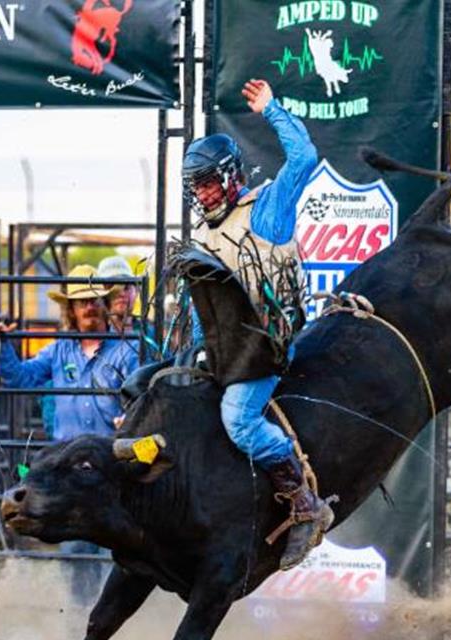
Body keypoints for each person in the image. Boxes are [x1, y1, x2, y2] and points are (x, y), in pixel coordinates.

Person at [181, 78, 329, 571]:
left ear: (229, 177)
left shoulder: (266, 207)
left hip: (269, 342)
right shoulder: (203, 232)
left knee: (238, 419)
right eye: (194, 186)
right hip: (227, 347)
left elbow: (304, 158)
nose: (201, 195)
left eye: (206, 182)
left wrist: (272, 109)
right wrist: (195, 355)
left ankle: (303, 499)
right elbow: (208, 304)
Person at [0, 263, 140, 605]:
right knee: (76, 549)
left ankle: (110, 616)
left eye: (93, 300)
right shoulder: (58, 350)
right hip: (70, 471)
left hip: (109, 466)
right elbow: (23, 377)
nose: (88, 307)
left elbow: (139, 398)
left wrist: (129, 417)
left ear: (103, 303)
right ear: (70, 309)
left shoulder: (126, 351)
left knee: (115, 549)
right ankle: (79, 617)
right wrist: (2, 344)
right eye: (80, 301)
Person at [96, 255, 140, 333]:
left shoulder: (151, 332)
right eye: (113, 287)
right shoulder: (91, 336)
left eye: (126, 287)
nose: (122, 293)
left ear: (136, 291)